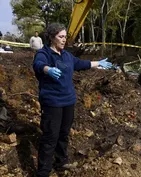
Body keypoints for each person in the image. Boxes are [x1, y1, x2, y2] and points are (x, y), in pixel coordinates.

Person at [32, 23, 113, 177]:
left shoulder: (67, 55)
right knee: (50, 137)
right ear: (51, 37)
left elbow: (81, 64)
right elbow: (38, 64)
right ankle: (43, 172)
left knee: (63, 133)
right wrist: (47, 69)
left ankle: (61, 162)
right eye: (61, 37)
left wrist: (98, 63)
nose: (64, 40)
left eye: (65, 36)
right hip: (52, 102)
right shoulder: (45, 53)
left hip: (68, 101)